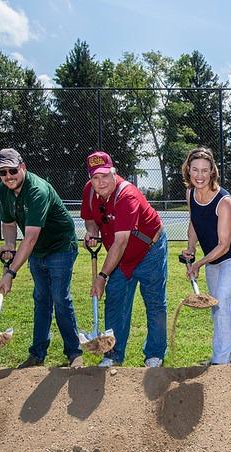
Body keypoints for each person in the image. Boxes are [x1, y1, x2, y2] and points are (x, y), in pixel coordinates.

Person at [0, 148, 83, 369]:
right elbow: (8, 223)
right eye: (3, 172)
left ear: (22, 167)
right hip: (38, 251)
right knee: (41, 299)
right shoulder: (5, 190)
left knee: (60, 299)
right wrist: (8, 245)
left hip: (61, 246)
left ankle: (74, 353)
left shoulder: (37, 190)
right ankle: (37, 355)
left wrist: (10, 273)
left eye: (12, 170)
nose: (8, 176)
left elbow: (31, 237)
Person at [79, 151, 167, 368]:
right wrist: (92, 232)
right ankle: (113, 354)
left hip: (150, 251)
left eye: (105, 176)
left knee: (154, 303)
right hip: (119, 256)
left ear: (114, 173)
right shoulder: (90, 191)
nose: (100, 182)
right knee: (116, 302)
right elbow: (90, 218)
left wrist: (101, 276)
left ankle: (154, 355)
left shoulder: (127, 195)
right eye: (95, 177)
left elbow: (121, 242)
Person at [180, 147, 231, 365]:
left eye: (204, 170)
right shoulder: (191, 193)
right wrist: (191, 247)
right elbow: (194, 222)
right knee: (220, 306)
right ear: (188, 171)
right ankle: (228, 353)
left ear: (212, 172)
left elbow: (224, 244)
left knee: (221, 302)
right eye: (195, 170)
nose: (199, 175)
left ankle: (220, 361)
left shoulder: (224, 201)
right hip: (213, 258)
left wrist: (199, 262)